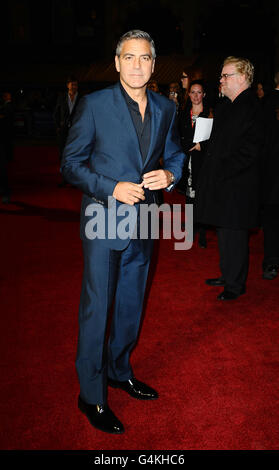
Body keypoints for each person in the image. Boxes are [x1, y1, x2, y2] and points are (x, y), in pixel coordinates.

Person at [61, 30, 185, 434]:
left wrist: (170, 174)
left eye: (145, 58)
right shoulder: (94, 105)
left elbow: (176, 153)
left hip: (147, 219)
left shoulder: (166, 108)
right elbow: (71, 164)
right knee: (98, 310)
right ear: (116, 63)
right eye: (129, 57)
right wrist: (110, 186)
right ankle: (91, 395)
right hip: (103, 218)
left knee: (131, 303)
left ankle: (119, 370)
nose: (137, 65)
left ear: (153, 64)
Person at [195, 56, 263, 300]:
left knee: (234, 234)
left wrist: (222, 170)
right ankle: (228, 274)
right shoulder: (226, 106)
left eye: (226, 75)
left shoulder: (252, 107)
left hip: (239, 185)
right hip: (224, 183)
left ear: (243, 78)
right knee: (224, 233)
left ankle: (235, 285)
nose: (221, 80)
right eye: (222, 76)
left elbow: (251, 151)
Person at [178, 80, 212, 248]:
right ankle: (191, 230)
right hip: (187, 160)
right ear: (189, 94)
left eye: (199, 92)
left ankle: (203, 230)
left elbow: (218, 139)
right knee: (189, 197)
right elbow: (177, 136)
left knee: (202, 196)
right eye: (193, 92)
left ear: (204, 95)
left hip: (204, 161)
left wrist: (202, 146)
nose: (196, 96)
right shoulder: (183, 113)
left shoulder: (211, 113)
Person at [261, 71, 279, 280]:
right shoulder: (268, 104)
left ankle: (272, 262)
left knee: (273, 220)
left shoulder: (266, 103)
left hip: (271, 172)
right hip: (273, 171)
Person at [53, 75, 80, 186]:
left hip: (77, 132)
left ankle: (75, 180)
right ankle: (65, 178)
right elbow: (56, 113)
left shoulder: (82, 98)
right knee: (63, 155)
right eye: (71, 84)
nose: (73, 86)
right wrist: (58, 126)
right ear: (67, 85)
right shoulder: (61, 97)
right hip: (63, 131)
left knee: (76, 155)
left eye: (75, 85)